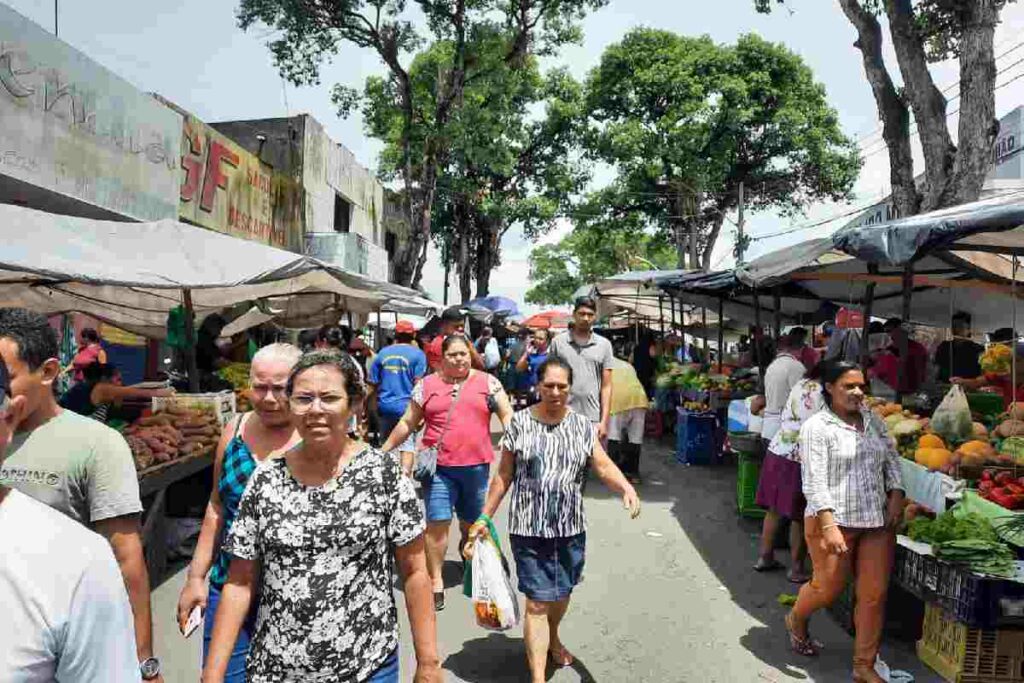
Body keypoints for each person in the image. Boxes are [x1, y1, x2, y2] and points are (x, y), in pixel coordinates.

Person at [203, 350, 439, 683]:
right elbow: (240, 582)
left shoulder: (384, 475)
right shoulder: (266, 480)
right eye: (303, 398)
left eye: (329, 398)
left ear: (354, 404)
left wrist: (428, 663)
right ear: (290, 405)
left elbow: (414, 572)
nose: (315, 409)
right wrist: (212, 674)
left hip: (368, 666)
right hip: (277, 670)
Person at [0, 308, 163, 681]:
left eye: (7, 377)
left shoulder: (96, 444)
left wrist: (144, 662)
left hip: (66, 644)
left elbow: (126, 559)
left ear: (48, 372)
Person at [464, 357, 641, 683]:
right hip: (528, 529)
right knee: (537, 604)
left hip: (569, 529)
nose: (555, 392)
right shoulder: (518, 423)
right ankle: (538, 676)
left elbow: (602, 465)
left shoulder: (582, 426)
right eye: (549, 385)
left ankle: (553, 636)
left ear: (570, 389)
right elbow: (503, 476)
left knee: (561, 593)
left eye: (562, 386)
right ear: (538, 386)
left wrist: (625, 488)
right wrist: (484, 517)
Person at [176, 344, 303, 681]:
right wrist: (195, 578)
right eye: (260, 387)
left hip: (296, 598)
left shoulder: (315, 438)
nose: (269, 398)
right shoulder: (234, 430)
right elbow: (217, 506)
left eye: (280, 388)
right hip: (228, 586)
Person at [786, 362, 904, 683]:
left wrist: (896, 493)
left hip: (876, 521)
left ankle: (863, 665)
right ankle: (796, 617)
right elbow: (813, 481)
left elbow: (892, 459)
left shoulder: (874, 420)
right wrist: (828, 525)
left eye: (861, 386)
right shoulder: (817, 427)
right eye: (848, 386)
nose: (857, 392)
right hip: (833, 521)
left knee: (873, 595)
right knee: (827, 589)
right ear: (829, 388)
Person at [381, 334, 513, 611]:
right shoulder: (426, 385)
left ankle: (471, 560)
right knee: (438, 522)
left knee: (471, 522)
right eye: (452, 354)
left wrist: (510, 435)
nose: (459, 359)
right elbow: (407, 422)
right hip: (439, 468)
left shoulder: (488, 382)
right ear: (442, 357)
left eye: (463, 353)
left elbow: (507, 414)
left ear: (470, 355)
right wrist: (383, 451)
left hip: (476, 467)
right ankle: (436, 580)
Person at [753, 361, 825, 582]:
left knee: (774, 509)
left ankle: (765, 557)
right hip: (798, 456)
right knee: (799, 514)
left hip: (778, 448)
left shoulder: (800, 384)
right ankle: (796, 568)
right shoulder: (824, 392)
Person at [547, 296, 614, 441]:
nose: (585, 318)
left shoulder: (604, 345)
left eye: (590, 315)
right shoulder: (558, 343)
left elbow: (607, 386)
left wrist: (604, 421)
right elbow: (549, 380)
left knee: (592, 456)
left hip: (593, 419)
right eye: (582, 314)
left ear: (595, 317)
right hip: (562, 416)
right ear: (574, 314)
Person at [368, 320, 428, 475]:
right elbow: (419, 385)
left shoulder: (382, 353)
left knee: (386, 444)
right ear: (413, 335)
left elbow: (372, 384)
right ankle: (405, 478)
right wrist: (421, 413)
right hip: (407, 408)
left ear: (395, 334)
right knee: (407, 446)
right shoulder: (418, 355)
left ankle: (385, 478)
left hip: (385, 406)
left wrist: (370, 408)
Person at [59, 362, 174, 423]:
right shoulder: (101, 389)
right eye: (118, 379)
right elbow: (137, 392)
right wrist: (164, 392)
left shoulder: (104, 398)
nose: (120, 384)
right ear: (104, 379)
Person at [607, 353, 649, 484]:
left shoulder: (602, 365)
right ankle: (633, 473)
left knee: (613, 435)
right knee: (635, 438)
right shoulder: (627, 365)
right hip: (639, 399)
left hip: (618, 400)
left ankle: (613, 473)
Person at [760, 332, 808, 445]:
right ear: (799, 349)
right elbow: (802, 398)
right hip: (785, 432)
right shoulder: (796, 367)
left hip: (768, 429)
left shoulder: (772, 366)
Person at [874, 318, 927, 395]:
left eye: (889, 331)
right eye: (886, 332)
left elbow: (917, 371)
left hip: (910, 392)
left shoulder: (917, 349)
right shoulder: (889, 349)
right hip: (889, 391)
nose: (888, 335)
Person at [425, 307, 484, 372]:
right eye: (456, 326)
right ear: (444, 325)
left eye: (462, 326)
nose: (460, 329)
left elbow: (480, 365)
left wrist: (468, 344)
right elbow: (439, 371)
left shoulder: (465, 340)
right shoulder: (437, 344)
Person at [934, 311, 984, 384]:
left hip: (969, 387)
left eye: (960, 327)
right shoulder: (944, 346)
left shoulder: (978, 349)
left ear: (968, 329)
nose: (956, 329)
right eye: (954, 326)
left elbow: (982, 374)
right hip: (946, 385)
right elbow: (937, 368)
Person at [515, 328, 550, 402]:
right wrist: (526, 353)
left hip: (545, 392)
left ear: (547, 341)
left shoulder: (550, 356)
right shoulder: (531, 355)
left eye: (540, 339)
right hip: (531, 391)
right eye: (535, 338)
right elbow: (519, 368)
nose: (537, 340)